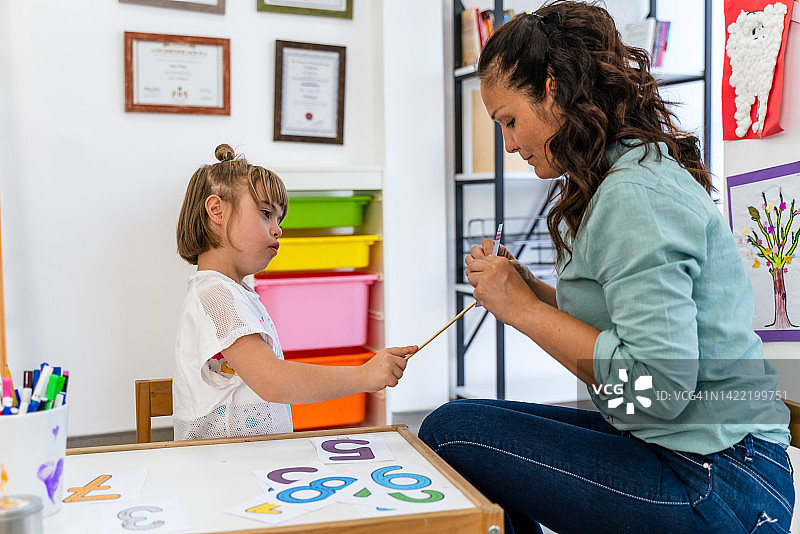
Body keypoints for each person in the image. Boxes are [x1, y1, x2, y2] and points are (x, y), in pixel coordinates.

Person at [419, 3, 794, 533]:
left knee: (454, 433)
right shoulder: (617, 178)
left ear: (552, 89)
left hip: (721, 480)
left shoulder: (632, 194)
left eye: (509, 120)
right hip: (691, 455)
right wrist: (537, 295)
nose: (507, 144)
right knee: (456, 429)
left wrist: (525, 312)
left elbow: (659, 391)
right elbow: (628, 329)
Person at [173, 143, 416, 440]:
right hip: (225, 469)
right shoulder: (216, 295)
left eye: (279, 220)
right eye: (266, 214)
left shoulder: (234, 292)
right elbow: (273, 380)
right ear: (217, 211)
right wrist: (364, 375)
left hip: (244, 460)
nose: (278, 230)